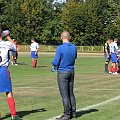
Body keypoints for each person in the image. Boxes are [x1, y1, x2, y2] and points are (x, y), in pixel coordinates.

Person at [51, 31, 77, 120]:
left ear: (61, 37)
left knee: (65, 94)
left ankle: (66, 114)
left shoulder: (60, 48)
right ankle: (73, 112)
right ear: (69, 37)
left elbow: (55, 61)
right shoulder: (74, 47)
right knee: (71, 93)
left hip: (63, 72)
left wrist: (53, 64)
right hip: (71, 71)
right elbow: (75, 57)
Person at [0, 27, 22, 120]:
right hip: (3, 70)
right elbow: (16, 48)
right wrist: (8, 36)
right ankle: (13, 115)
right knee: (8, 92)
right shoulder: (7, 44)